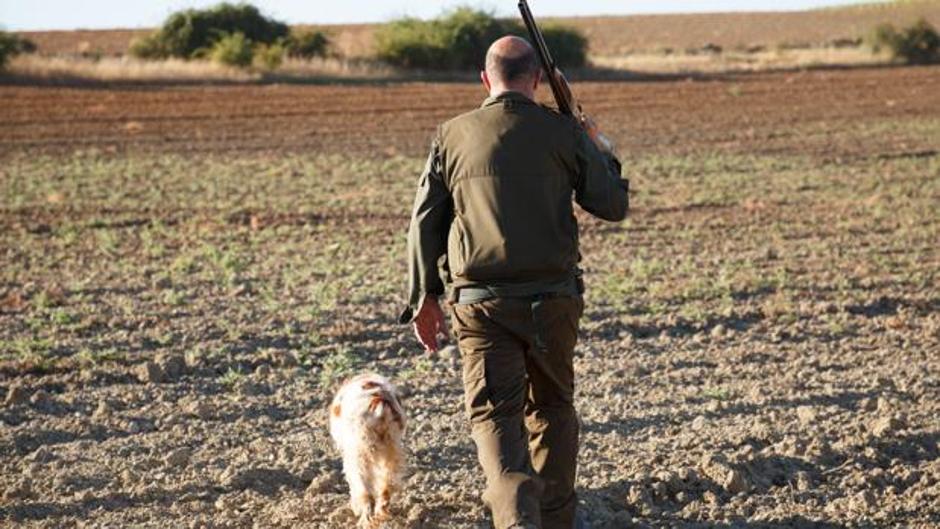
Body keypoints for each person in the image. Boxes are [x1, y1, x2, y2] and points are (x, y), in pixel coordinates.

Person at [400, 35, 628, 529]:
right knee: (552, 410)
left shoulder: (451, 135)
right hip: (554, 303)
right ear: (538, 80)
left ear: (485, 79)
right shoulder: (563, 133)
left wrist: (424, 297)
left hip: (480, 306)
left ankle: (517, 521)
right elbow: (612, 205)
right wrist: (596, 144)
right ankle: (555, 521)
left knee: (496, 419)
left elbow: (424, 223)